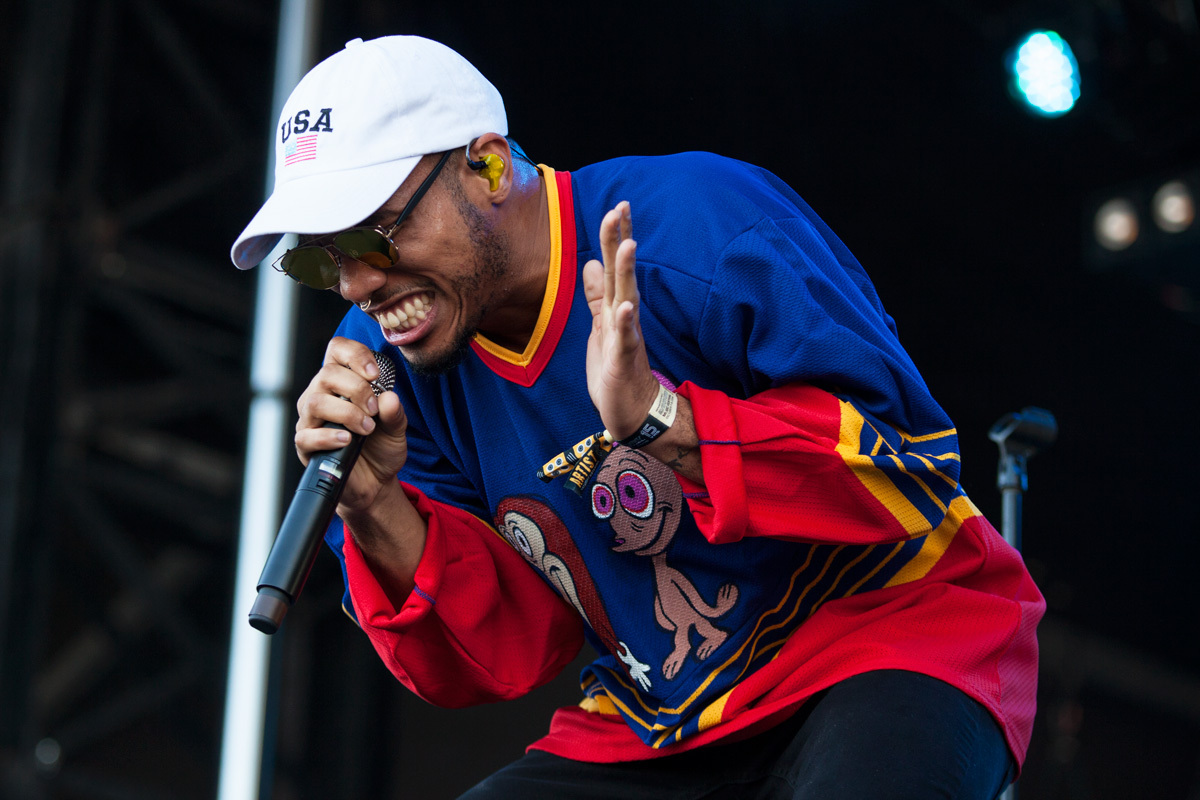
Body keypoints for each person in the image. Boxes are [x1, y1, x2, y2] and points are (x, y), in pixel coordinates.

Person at [231, 35, 1044, 799]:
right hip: (666, 721)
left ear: (485, 168)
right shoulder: (394, 363)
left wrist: (666, 422)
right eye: (322, 256)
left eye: (375, 235)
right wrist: (375, 505)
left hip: (890, 636)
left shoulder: (697, 224)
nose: (354, 286)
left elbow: (911, 469)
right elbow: (513, 650)